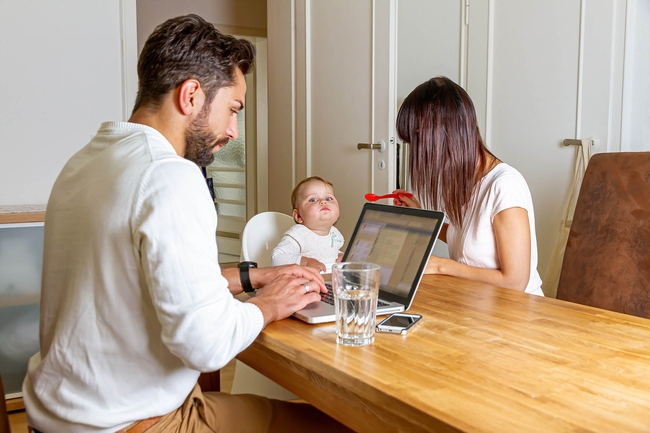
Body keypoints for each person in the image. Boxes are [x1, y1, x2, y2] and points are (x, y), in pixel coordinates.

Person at [22, 15, 353, 433]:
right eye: (232, 110)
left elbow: (148, 277)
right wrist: (269, 305)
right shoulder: (169, 175)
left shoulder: (88, 161)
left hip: (62, 414)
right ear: (191, 95)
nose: (233, 131)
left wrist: (259, 277)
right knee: (340, 424)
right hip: (130, 423)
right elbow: (206, 345)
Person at [393, 76, 544, 296]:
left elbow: (514, 282)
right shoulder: (465, 181)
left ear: (444, 135)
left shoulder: (505, 186)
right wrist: (422, 217)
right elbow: (467, 239)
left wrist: (440, 266)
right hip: (475, 306)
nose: (417, 155)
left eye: (418, 142)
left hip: (515, 316)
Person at [271, 176, 344, 273]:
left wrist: (340, 255)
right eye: (313, 200)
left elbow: (328, 250)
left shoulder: (334, 233)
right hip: (304, 284)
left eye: (329, 198)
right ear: (299, 216)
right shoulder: (299, 234)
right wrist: (306, 262)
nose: (323, 201)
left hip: (331, 283)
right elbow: (276, 258)